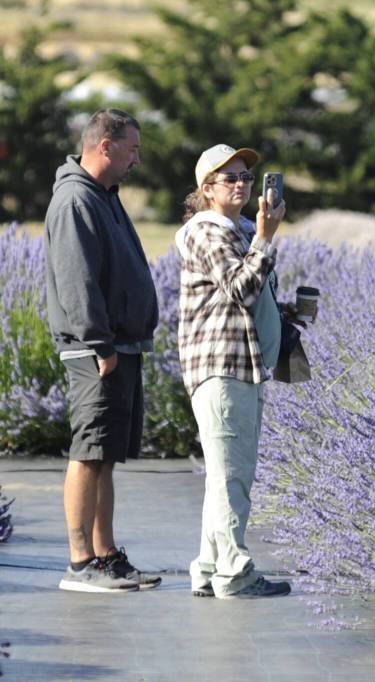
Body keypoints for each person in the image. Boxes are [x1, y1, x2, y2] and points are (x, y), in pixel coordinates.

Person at [44, 108, 161, 593]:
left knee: (104, 455)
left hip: (117, 347)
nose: (137, 159)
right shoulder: (76, 200)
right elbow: (78, 282)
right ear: (106, 146)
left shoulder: (103, 196)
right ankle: (79, 564)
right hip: (96, 350)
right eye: (132, 149)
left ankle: (106, 555)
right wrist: (100, 344)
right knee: (88, 451)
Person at [176, 143, 291, 598]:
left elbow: (250, 295)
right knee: (231, 477)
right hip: (221, 366)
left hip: (240, 363)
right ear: (207, 190)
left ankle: (208, 568)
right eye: (231, 178)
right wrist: (265, 238)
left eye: (246, 176)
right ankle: (234, 573)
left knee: (225, 474)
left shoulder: (237, 229)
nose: (242, 184)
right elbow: (241, 288)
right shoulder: (207, 232)